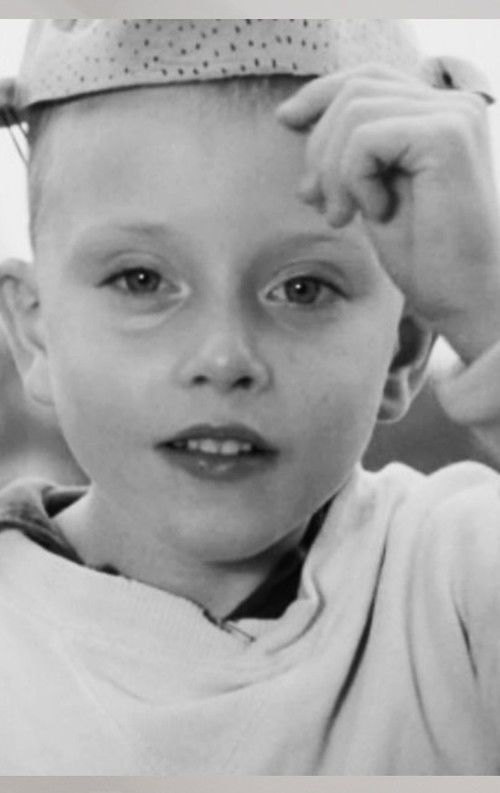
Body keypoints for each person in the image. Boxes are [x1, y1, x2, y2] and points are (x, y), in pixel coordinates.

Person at [0, 18, 499, 775]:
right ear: (35, 333)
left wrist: (487, 313)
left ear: (401, 352)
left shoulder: (454, 582)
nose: (224, 356)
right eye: (141, 279)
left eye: (304, 288)